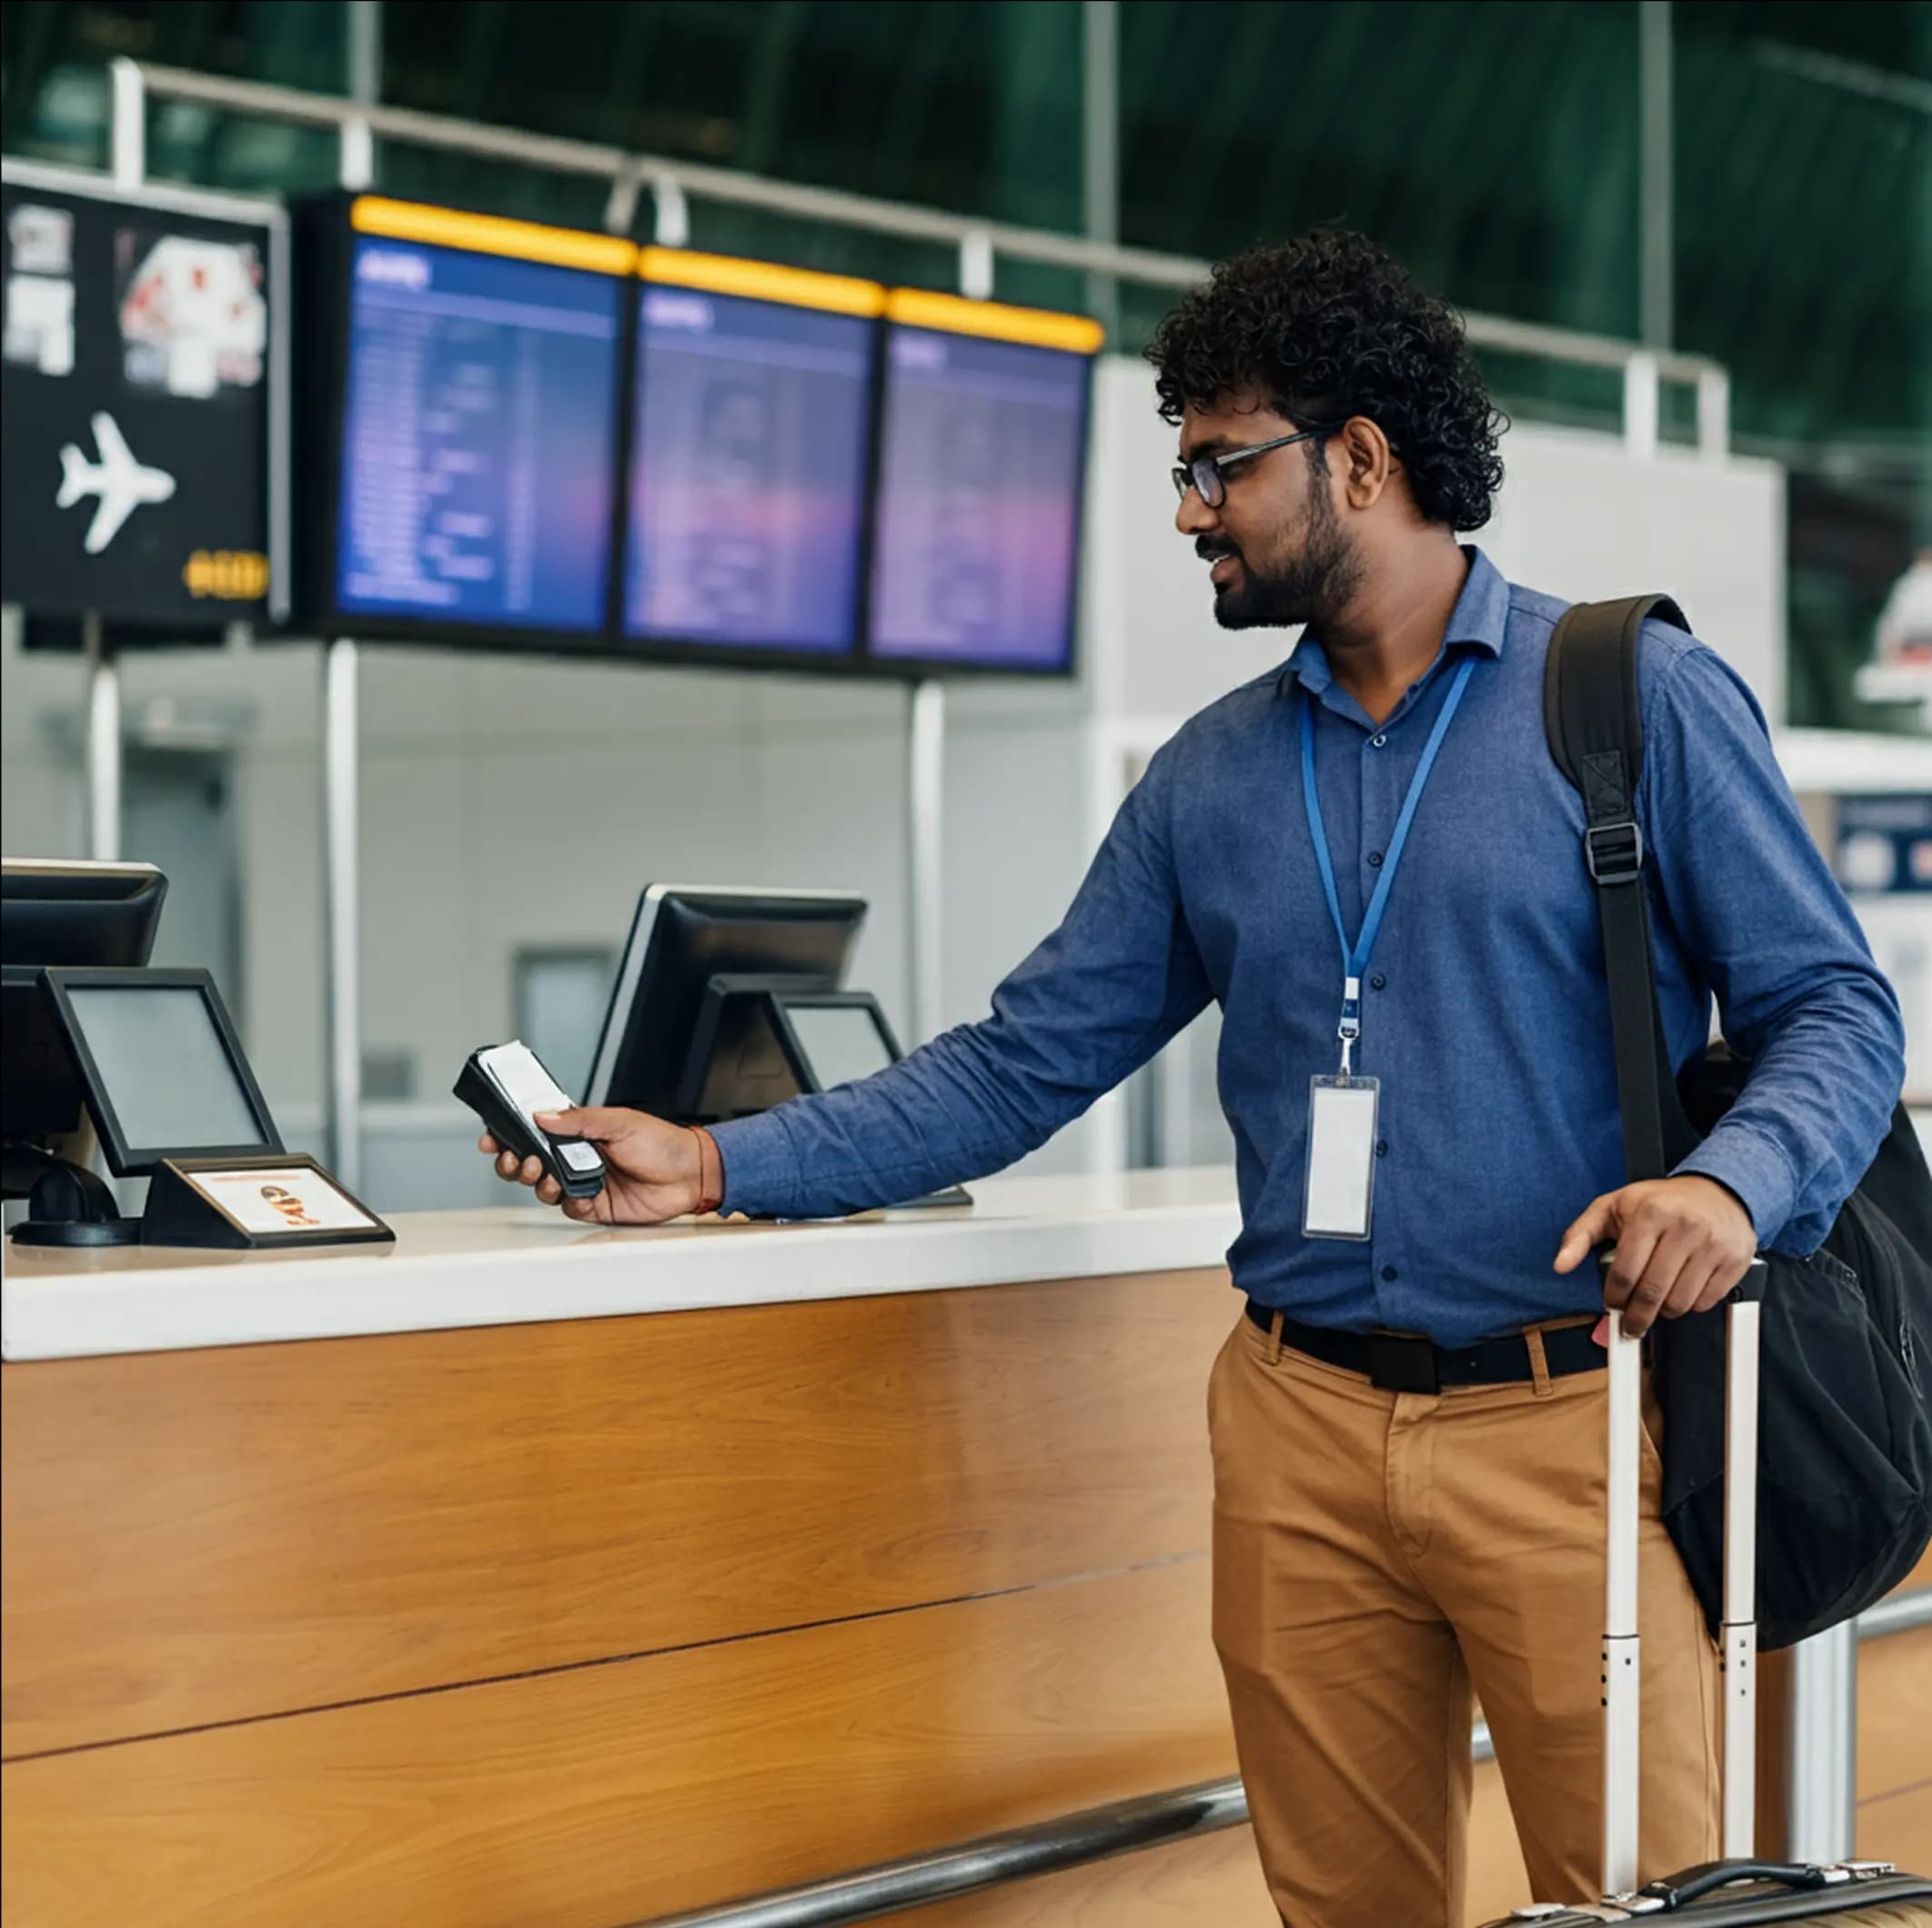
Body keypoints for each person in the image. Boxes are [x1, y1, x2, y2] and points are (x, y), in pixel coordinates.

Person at [480, 230, 1906, 1928]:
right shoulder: (1209, 779)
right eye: (1185, 470)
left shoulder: (1629, 699)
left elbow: (1836, 1008)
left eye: (1221, 465)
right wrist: (716, 1164)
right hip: (1299, 1431)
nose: (1188, 512)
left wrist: (1731, 1186)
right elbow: (1022, 1063)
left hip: (1576, 1417)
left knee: (1634, 1909)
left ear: (1360, 458)